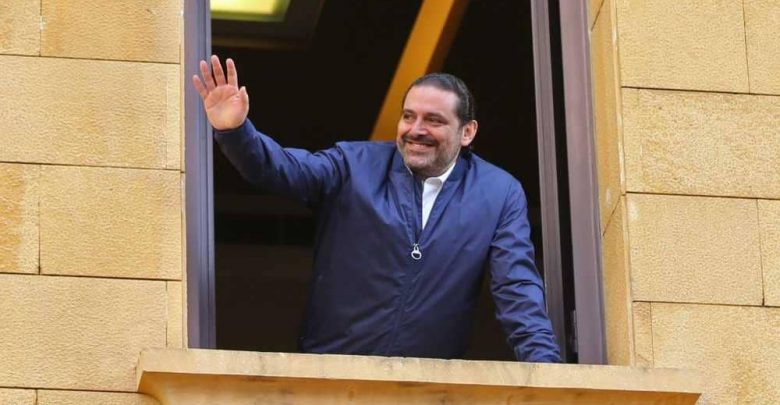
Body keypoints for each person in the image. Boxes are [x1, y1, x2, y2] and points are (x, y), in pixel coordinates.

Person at [193, 55, 561, 362]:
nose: (416, 129)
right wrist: (236, 132)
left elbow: (517, 288)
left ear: (467, 132)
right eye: (408, 116)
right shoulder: (353, 164)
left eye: (434, 120)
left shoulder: (498, 193)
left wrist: (548, 373)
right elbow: (283, 169)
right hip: (330, 380)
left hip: (428, 390)